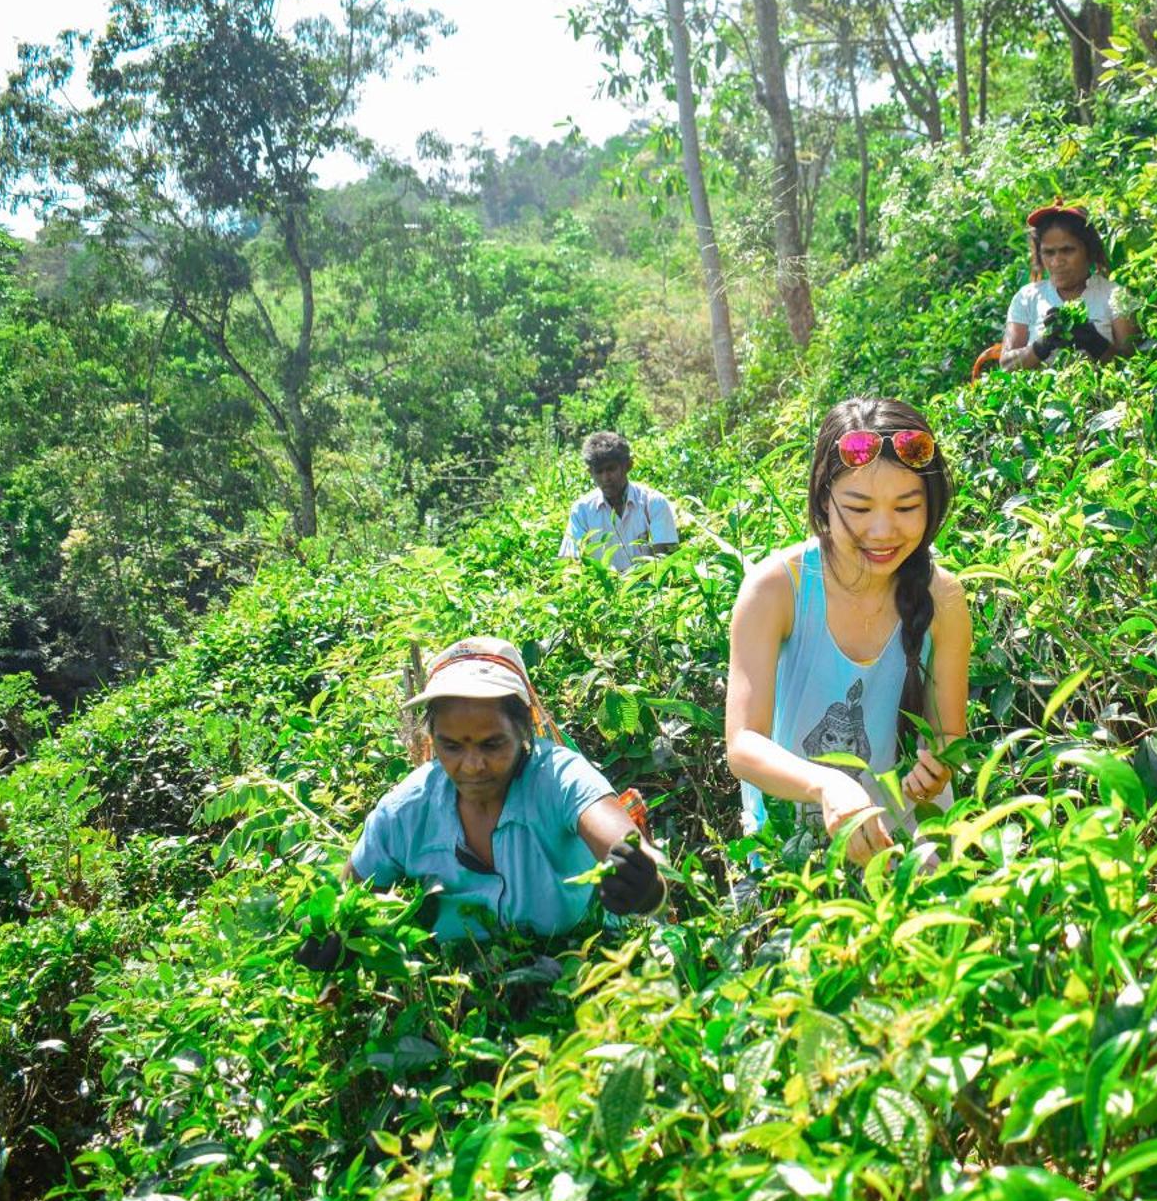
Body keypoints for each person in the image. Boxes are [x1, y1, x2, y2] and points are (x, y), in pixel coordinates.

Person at [304, 636, 663, 960]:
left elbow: (626, 843)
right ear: (433, 737)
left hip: (583, 970)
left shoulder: (558, 777)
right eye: (451, 746)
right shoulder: (407, 809)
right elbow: (346, 903)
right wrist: (331, 938)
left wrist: (645, 884)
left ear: (523, 728)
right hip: (464, 996)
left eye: (492, 744)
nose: (472, 766)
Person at [726, 398, 972, 865]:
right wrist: (829, 784)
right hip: (792, 841)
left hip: (900, 832)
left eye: (906, 507)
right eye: (858, 508)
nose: (883, 531)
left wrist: (937, 768)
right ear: (824, 500)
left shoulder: (945, 598)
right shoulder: (777, 588)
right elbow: (743, 744)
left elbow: (947, 736)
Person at [998, 204, 1137, 370]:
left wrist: (1096, 343)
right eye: (1049, 253)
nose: (1057, 262)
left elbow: (1133, 364)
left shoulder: (1115, 295)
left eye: (1067, 250)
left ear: (1089, 251)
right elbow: (1006, 364)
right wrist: (1042, 344)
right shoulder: (1027, 298)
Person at [558, 431, 679, 572]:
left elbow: (665, 562)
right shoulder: (582, 511)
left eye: (611, 469)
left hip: (650, 591)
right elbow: (570, 564)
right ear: (590, 472)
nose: (606, 478)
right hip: (603, 591)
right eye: (599, 471)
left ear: (628, 466)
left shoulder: (653, 503)